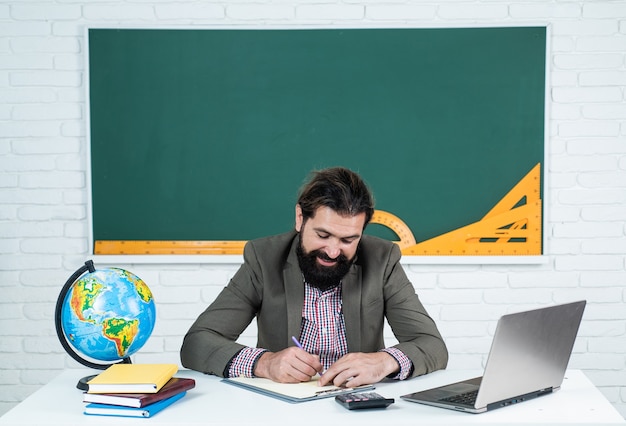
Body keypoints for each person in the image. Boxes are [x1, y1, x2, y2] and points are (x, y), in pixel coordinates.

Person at [180, 167, 448, 387]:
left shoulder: (383, 259)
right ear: (300, 219)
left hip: (357, 410)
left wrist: (384, 361)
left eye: (348, 239)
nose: (333, 251)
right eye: (322, 235)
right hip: (285, 409)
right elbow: (197, 343)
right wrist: (264, 363)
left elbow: (432, 345)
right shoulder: (263, 258)